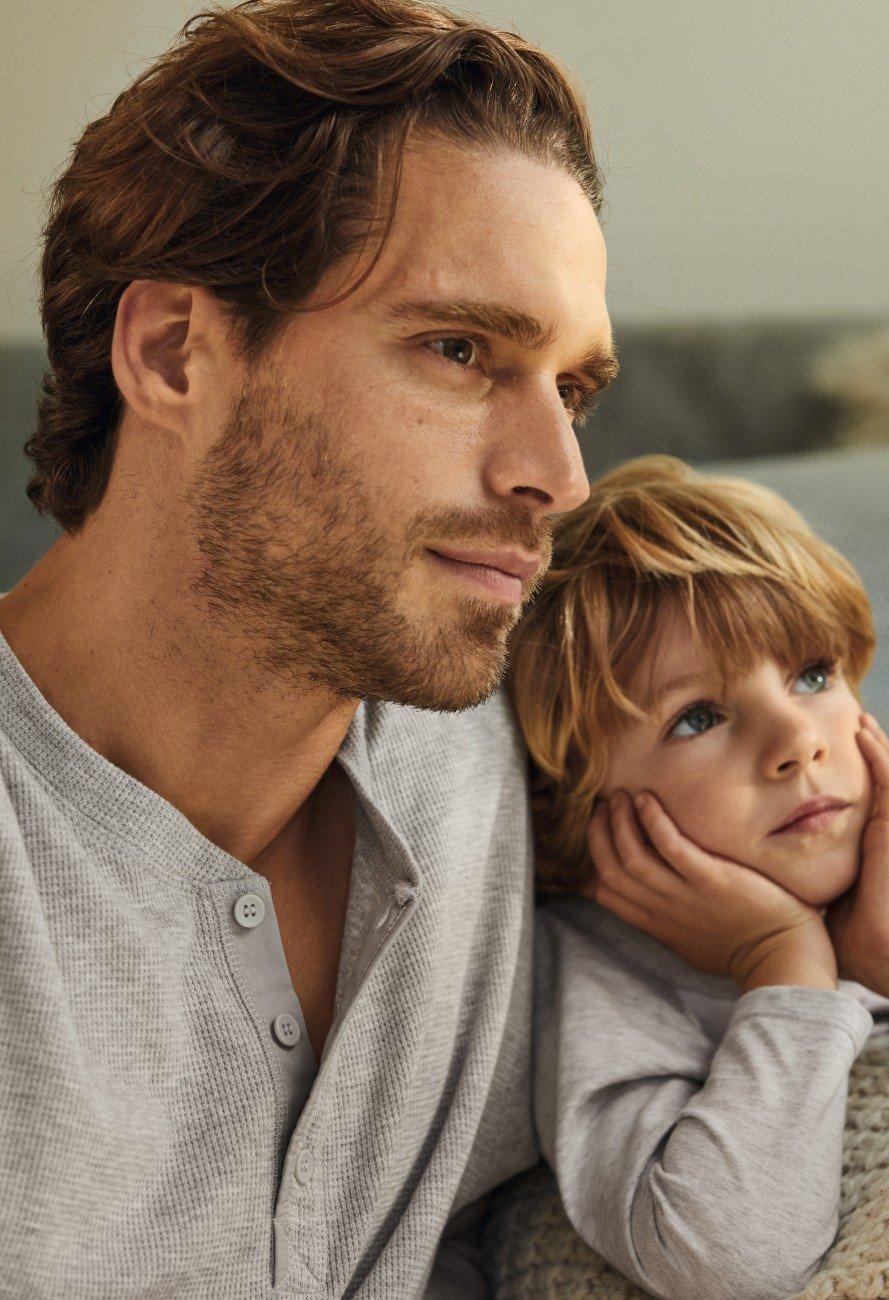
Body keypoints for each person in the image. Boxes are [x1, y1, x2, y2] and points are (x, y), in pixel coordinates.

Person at [0, 1, 623, 1295]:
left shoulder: (520, 740)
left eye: (571, 389)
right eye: (461, 350)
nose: (559, 478)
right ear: (176, 351)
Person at [507, 453, 889, 1299]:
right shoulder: (600, 982)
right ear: (569, 812)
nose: (798, 738)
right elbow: (728, 1261)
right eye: (699, 717)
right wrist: (782, 960)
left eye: (813, 675)